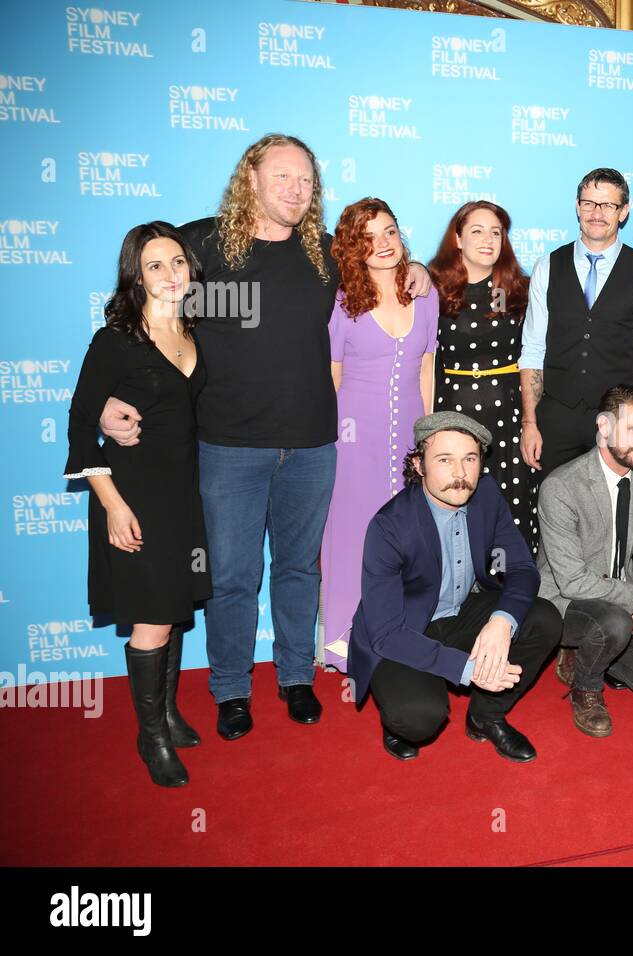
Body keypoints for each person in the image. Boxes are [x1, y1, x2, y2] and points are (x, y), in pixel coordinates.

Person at [97, 134, 433, 740]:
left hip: (312, 444)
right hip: (227, 446)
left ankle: (296, 677)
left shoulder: (324, 255)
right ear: (249, 177)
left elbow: (383, 266)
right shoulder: (198, 245)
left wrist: (416, 265)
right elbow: (137, 309)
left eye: (305, 179)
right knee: (232, 576)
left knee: (301, 568)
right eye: (282, 176)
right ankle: (230, 689)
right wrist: (109, 400)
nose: (295, 189)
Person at [64, 222, 211, 787]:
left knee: (173, 609)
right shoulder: (115, 341)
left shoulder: (196, 331)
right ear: (135, 276)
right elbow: (81, 429)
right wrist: (113, 506)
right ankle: (149, 737)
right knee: (150, 619)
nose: (170, 274)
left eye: (177, 262)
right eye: (155, 265)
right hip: (132, 494)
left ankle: (169, 714)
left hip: (183, 495)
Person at [347, 412, 562, 762]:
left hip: (461, 614)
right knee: (419, 718)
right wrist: (468, 669)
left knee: (544, 617)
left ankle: (485, 716)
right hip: (404, 631)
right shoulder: (389, 526)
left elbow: (521, 566)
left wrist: (501, 622)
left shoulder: (486, 495)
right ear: (419, 465)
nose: (460, 474)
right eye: (444, 460)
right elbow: (386, 632)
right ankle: (396, 717)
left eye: (470, 459)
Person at [321, 198, 439, 672]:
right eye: (369, 236)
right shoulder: (343, 302)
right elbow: (332, 374)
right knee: (351, 535)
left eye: (390, 231)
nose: (384, 243)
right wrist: (338, 437)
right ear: (352, 246)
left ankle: (401, 634)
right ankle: (345, 643)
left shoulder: (424, 295)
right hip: (353, 437)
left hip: (411, 432)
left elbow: (427, 365)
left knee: (406, 537)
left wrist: (428, 435)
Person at [537, 385, 633, 737]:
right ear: (604, 427)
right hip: (565, 602)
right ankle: (586, 687)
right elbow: (573, 581)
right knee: (613, 624)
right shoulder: (561, 487)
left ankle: (597, 651)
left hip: (623, 602)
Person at [519, 168, 633, 475]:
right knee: (553, 513)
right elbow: (533, 349)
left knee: (613, 518)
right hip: (555, 418)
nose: (597, 213)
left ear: (624, 212)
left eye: (608, 205)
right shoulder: (547, 266)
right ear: (577, 207)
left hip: (614, 422)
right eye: (589, 203)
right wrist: (529, 422)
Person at [429, 200, 537, 551]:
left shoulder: (516, 290)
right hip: (452, 420)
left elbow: (532, 361)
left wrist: (532, 422)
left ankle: (511, 593)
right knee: (454, 507)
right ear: (457, 238)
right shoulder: (434, 291)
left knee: (510, 511)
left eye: (496, 232)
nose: (488, 239)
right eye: (477, 230)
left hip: (508, 422)